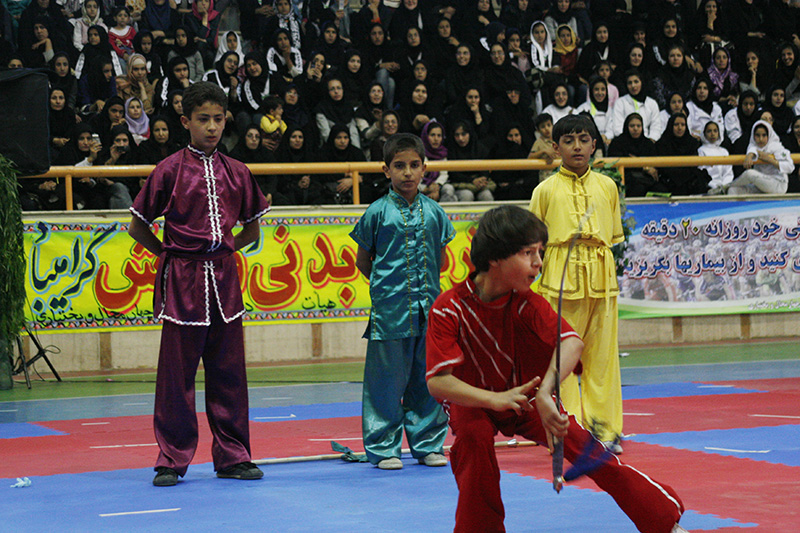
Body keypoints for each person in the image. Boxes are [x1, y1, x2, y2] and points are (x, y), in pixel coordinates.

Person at [425, 204, 686, 533]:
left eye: (540, 252)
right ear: (494, 258)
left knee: (588, 450)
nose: (538, 263)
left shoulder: (527, 303)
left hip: (529, 399)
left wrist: (547, 391)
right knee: (474, 440)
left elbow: (572, 342)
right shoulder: (448, 308)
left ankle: (662, 522)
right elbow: (438, 382)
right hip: (474, 403)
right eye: (527, 253)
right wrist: (494, 400)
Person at [127, 82, 270, 487]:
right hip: (182, 285)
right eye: (203, 119)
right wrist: (168, 253)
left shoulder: (237, 171)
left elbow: (252, 232)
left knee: (229, 374)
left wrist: (223, 249)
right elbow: (138, 226)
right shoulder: (169, 170)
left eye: (218, 119)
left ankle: (234, 456)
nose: (211, 127)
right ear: (185, 121)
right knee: (177, 376)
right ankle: (172, 458)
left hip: (225, 282)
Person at [350, 132, 453, 470]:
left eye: (414, 165)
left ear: (424, 168)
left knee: (427, 379)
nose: (407, 173)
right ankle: (383, 447)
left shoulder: (436, 212)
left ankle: (427, 444)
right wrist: (385, 289)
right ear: (385, 170)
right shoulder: (377, 213)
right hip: (389, 313)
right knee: (385, 382)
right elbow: (363, 261)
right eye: (399, 166)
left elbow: (441, 260)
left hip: (430, 311)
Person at [529, 114, 625, 452]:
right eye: (568, 141)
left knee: (603, 358)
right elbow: (533, 244)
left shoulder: (608, 186)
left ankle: (606, 431)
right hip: (559, 277)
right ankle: (567, 430)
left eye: (583, 139)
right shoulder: (544, 190)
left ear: (594, 144)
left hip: (602, 276)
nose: (577, 147)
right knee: (562, 360)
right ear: (556, 148)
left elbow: (612, 236)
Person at [722, 120, 793, 195]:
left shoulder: (777, 147)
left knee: (750, 174)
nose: (761, 139)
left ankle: (724, 188)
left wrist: (770, 160)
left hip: (778, 184)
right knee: (733, 190)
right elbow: (752, 148)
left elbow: (790, 167)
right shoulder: (753, 147)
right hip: (759, 185)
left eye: (764, 135)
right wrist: (749, 155)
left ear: (769, 135)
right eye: (757, 135)